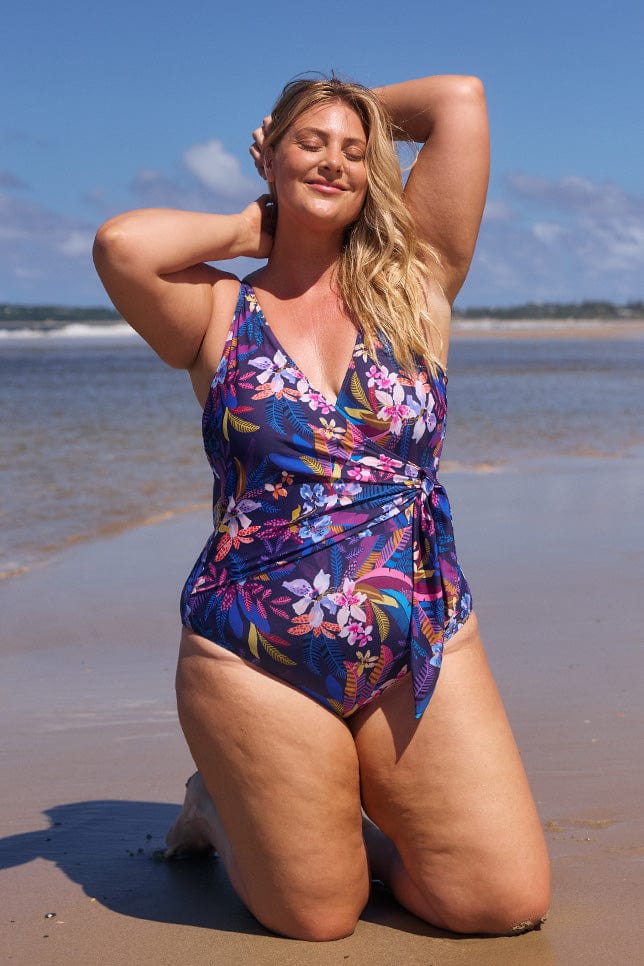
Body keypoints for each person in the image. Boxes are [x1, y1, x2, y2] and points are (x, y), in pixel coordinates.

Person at [93, 72, 550, 942]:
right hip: (252, 652)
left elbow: (459, 98)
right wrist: (251, 222)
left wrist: (343, 117)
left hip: (416, 630)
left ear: (376, 166)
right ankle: (220, 811)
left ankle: (336, 813)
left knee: (499, 906)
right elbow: (122, 245)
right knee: (318, 917)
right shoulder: (216, 310)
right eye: (312, 143)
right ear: (267, 152)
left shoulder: (417, 281)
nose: (335, 161)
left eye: (355, 150)